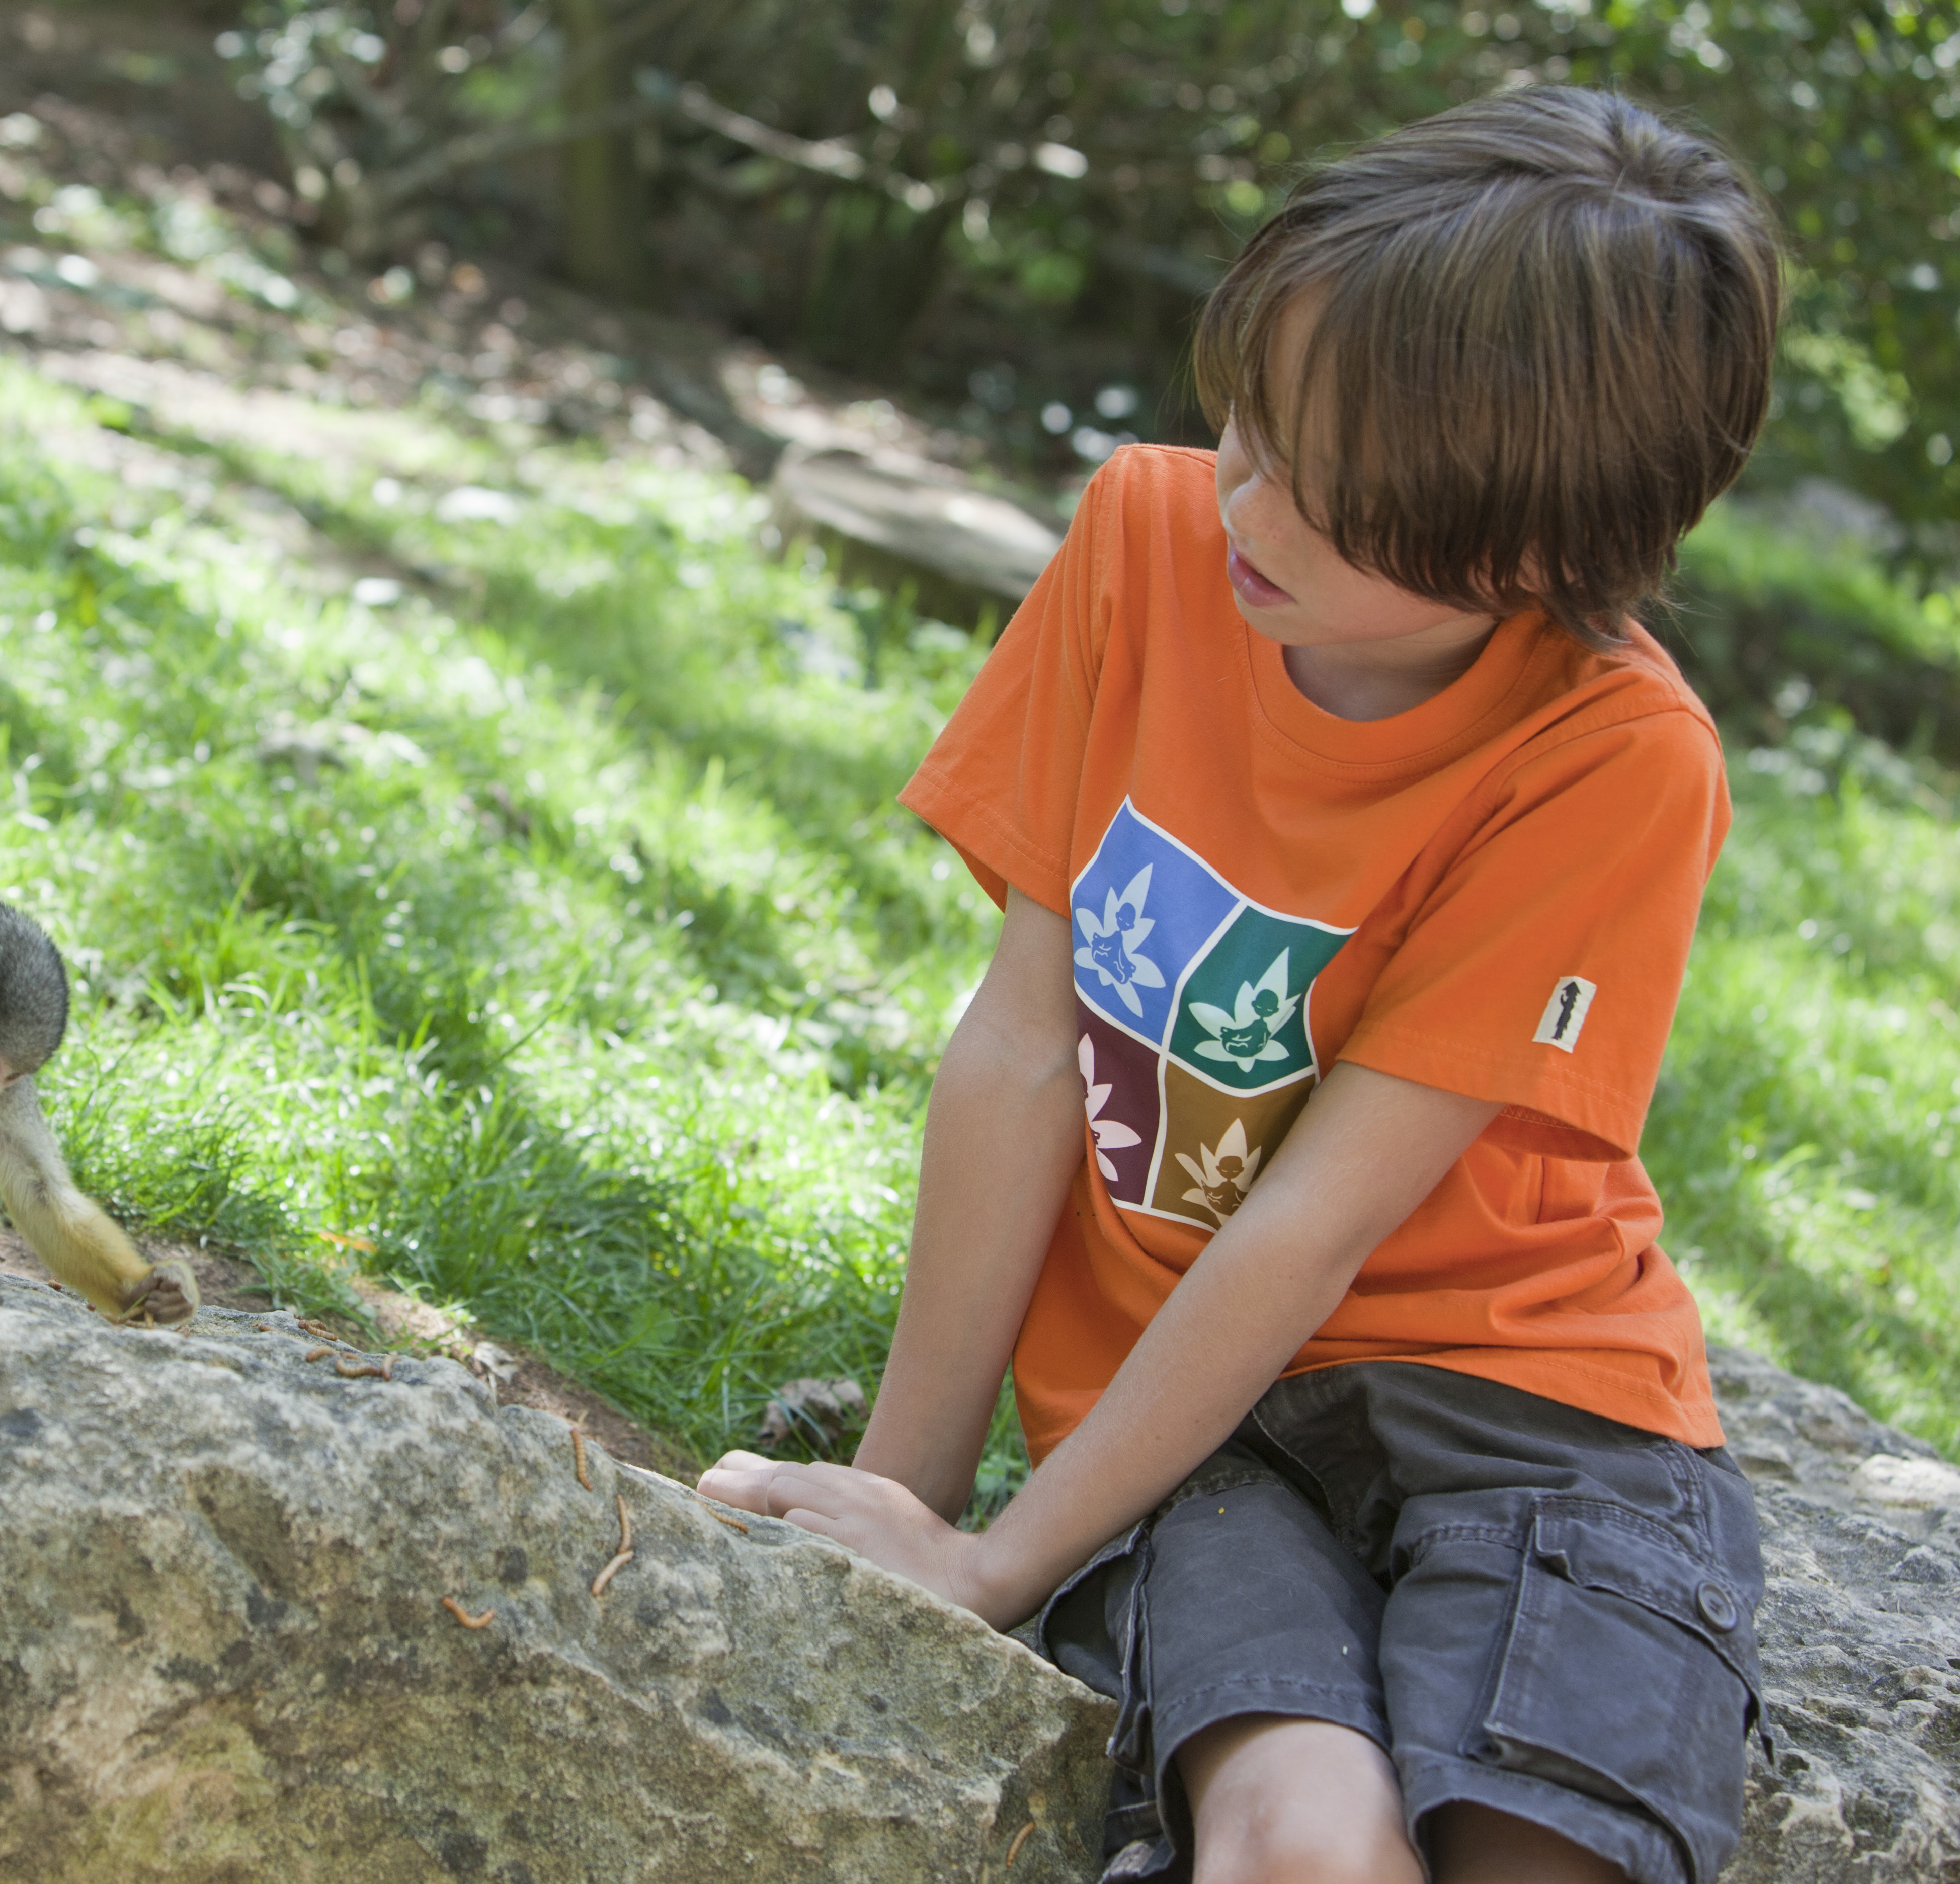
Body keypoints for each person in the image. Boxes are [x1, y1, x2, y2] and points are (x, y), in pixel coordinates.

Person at [699, 86, 1782, 1884]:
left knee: (1540, 1860)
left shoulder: (1620, 760)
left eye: (1323, 495)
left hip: (1534, 1422)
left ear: (1532, 556)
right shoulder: (1144, 537)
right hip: (1199, 1439)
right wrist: (923, 1516)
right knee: (1298, 1842)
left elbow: (1315, 1227)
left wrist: (1000, 1566)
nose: (1244, 507)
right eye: (1247, 431)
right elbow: (1025, 1046)